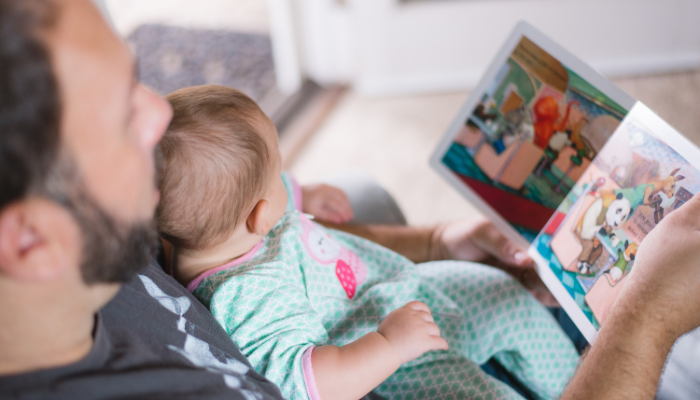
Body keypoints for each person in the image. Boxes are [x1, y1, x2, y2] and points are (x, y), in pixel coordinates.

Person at [0, 1, 698, 399]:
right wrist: (647, 319)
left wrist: (433, 240)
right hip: (392, 365)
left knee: (368, 194)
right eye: (121, 115)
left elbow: (273, 234)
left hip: (381, 303)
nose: (158, 114)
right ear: (29, 241)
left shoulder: (123, 218)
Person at [156, 85, 580, 400]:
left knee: (504, 294)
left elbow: (256, 191)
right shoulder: (248, 296)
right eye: (279, 173)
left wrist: (302, 193)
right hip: (399, 361)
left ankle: (577, 382)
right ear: (260, 215)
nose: (285, 179)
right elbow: (308, 383)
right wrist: (390, 344)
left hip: (400, 287)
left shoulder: (225, 227)